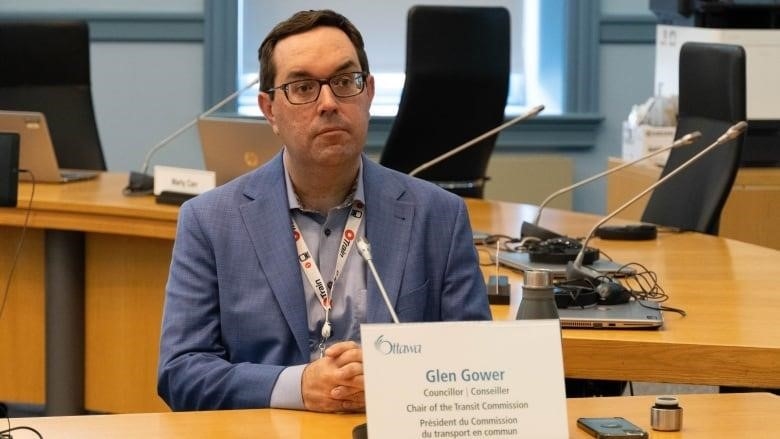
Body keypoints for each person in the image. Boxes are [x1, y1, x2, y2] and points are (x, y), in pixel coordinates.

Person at [157, 9, 490, 413]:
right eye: (302, 87)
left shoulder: (439, 216)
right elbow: (181, 373)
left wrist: (392, 381)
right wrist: (296, 386)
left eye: (345, 81)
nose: (329, 103)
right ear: (269, 110)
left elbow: (478, 365)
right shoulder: (209, 221)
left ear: (368, 93)